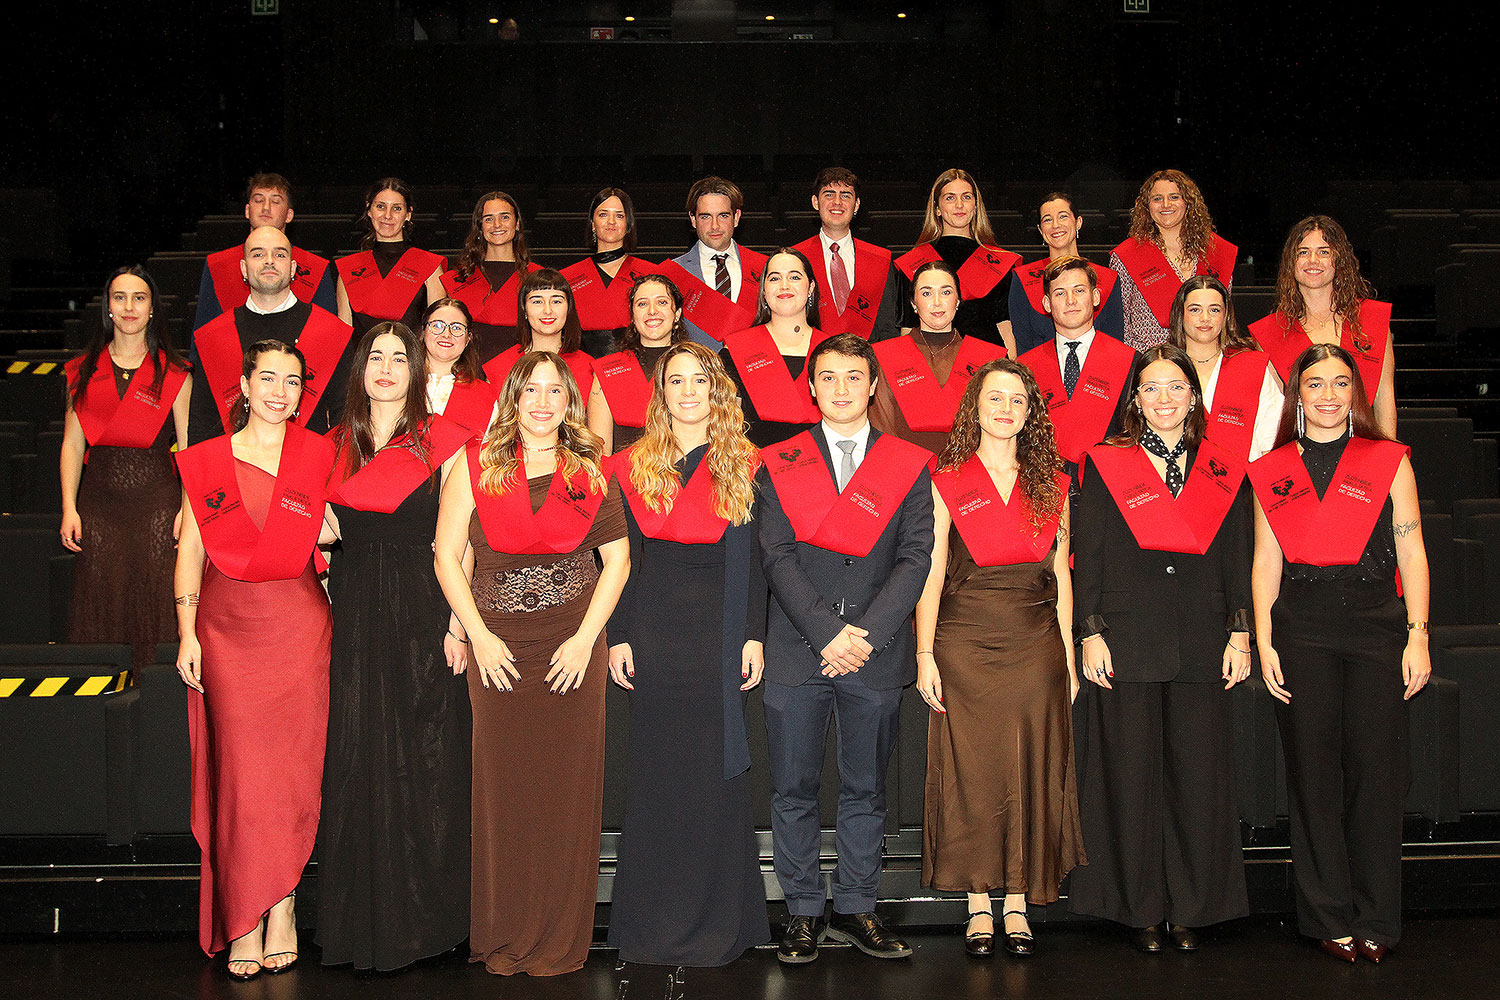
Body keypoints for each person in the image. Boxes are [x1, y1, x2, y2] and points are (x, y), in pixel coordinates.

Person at [433, 351, 630, 976]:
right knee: (504, 794)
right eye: (530, 390)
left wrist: (585, 640)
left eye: (554, 391)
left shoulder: (589, 468)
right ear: (512, 399)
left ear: (570, 402)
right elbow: (446, 557)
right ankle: (503, 934)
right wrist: (478, 635)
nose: (542, 402)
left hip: (573, 649)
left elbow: (617, 562)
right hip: (498, 651)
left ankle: (559, 937)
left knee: (567, 795)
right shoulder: (475, 464)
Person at [1068, 344, 1253, 952]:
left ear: (1193, 397)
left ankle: (1192, 909)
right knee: (1130, 780)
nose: (1164, 398)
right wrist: (1090, 631)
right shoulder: (1105, 463)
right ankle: (1139, 908)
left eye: (1176, 387)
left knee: (1199, 781)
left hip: (1202, 639)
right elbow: (1090, 552)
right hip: (1127, 639)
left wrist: (1241, 630)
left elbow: (1238, 554)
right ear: (1136, 399)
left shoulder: (1222, 467)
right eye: (1151, 388)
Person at [1249, 344, 1430, 964]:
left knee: (1377, 777)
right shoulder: (1272, 469)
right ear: (1297, 395)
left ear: (1356, 392)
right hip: (1301, 631)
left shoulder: (1389, 460)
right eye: (1315, 384)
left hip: (1377, 630)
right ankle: (1327, 915)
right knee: (1313, 775)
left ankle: (1377, 916)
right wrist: (1264, 639)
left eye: (1340, 383)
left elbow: (1412, 552)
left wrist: (1418, 634)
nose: (1328, 395)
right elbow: (1265, 561)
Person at [757, 333, 934, 965]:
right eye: (828, 377)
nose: (841, 388)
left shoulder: (906, 463)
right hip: (798, 650)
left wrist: (865, 635)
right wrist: (826, 633)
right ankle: (803, 910)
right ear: (811, 386)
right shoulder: (780, 461)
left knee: (866, 789)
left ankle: (858, 907)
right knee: (794, 789)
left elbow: (916, 557)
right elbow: (776, 555)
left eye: (854, 377)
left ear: (873, 385)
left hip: (874, 652)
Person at [173, 340, 337, 979]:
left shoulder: (317, 456)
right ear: (243, 384)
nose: (279, 391)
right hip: (226, 632)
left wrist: (330, 526)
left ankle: (283, 907)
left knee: (293, 774)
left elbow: (343, 530)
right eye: (268, 378)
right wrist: (187, 632)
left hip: (298, 629)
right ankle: (243, 914)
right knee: (242, 777)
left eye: (292, 381)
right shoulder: (208, 461)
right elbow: (190, 552)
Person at [315, 322, 474, 972]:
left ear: (415, 370)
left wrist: (458, 627)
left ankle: (430, 922)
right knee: (358, 755)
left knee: (427, 760)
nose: (385, 367)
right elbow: (321, 532)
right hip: (354, 618)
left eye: (398, 358)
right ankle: (361, 922)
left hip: (425, 616)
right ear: (360, 369)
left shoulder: (443, 441)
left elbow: (461, 543)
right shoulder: (332, 445)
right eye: (374, 356)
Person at [605, 342, 771, 966]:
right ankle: (653, 926)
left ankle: (718, 923)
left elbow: (754, 558)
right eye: (676, 381)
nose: (688, 391)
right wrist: (620, 633)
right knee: (658, 777)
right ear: (661, 393)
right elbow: (620, 560)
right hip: (653, 634)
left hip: (719, 634)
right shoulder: (630, 466)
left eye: (700, 379)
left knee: (713, 778)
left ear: (716, 388)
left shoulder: (745, 462)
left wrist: (753, 633)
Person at [914, 358, 1083, 958]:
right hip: (963, 643)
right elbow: (931, 573)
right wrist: (924, 653)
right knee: (975, 773)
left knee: (1029, 767)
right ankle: (978, 903)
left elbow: (1063, 577)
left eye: (1017, 399)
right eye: (995, 397)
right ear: (975, 407)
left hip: (1035, 643)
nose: (1005, 408)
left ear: (1030, 412)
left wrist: (1068, 658)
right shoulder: (947, 480)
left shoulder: (1054, 483)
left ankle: (1018, 900)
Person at [61, 266, 192, 670]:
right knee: (101, 598)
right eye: (120, 298)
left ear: (152, 308)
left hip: (157, 504)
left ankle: (156, 694)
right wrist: (68, 507)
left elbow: (189, 448)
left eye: (139, 297)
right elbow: (72, 443)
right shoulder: (83, 371)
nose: (129, 306)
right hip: (98, 505)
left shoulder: (175, 373)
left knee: (156, 598)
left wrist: (187, 510)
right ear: (108, 308)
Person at [189, 226, 354, 443]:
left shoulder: (331, 332)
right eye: (258, 254)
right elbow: (201, 423)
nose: (269, 261)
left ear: (293, 268)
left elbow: (345, 417)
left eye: (279, 255)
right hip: (232, 461)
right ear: (244, 268)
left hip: (309, 460)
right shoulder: (214, 336)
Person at [1247, 216, 1397, 438]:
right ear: (1291, 263)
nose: (1313, 260)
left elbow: (1385, 398)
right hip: (1303, 450)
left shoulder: (1372, 320)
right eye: (1303, 252)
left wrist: (1390, 455)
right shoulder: (1270, 333)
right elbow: (1274, 413)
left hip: (1364, 448)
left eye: (1324, 252)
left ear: (1339, 260)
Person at [1017, 256, 1139, 474]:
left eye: (1079, 290)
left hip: (1109, 477)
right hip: (1044, 479)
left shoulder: (1130, 361)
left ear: (1095, 297)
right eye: (1060, 293)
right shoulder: (1025, 367)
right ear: (1047, 304)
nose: (1070, 300)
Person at [871, 260, 1007, 453]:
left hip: (972, 465)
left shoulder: (989, 359)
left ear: (957, 300)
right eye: (927, 293)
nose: (937, 302)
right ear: (913, 303)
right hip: (904, 464)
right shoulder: (884, 355)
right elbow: (881, 425)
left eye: (946, 292)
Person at [895, 169, 1020, 355]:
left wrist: (1012, 368)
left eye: (966, 197)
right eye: (950, 198)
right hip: (933, 359)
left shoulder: (997, 261)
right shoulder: (915, 261)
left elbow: (1005, 326)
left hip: (987, 362)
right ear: (937, 208)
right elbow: (907, 328)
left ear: (975, 206)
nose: (959, 205)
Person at [1110, 169, 1237, 351]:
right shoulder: (1126, 255)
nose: (1166, 204)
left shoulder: (1217, 251)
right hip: (1149, 359)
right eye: (1157, 199)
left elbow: (1224, 314)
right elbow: (1119, 322)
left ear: (1188, 202)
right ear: (1147, 206)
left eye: (1174, 197)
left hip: (1204, 356)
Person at [193, 173, 337, 330]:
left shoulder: (316, 268)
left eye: (275, 201)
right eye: (258, 200)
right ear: (247, 210)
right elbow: (203, 334)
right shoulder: (217, 265)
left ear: (289, 215)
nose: (266, 208)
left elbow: (328, 331)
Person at [720, 247, 832, 448]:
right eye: (774, 278)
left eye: (794, 277)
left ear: (811, 288)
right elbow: (726, 429)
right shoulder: (735, 351)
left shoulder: (834, 351)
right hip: (752, 463)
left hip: (823, 462)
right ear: (764, 291)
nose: (784, 285)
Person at [482, 269, 608, 440]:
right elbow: (489, 438)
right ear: (524, 309)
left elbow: (598, 442)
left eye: (556, 301)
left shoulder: (590, 369)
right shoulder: (498, 367)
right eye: (537, 301)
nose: (547, 310)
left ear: (568, 308)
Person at [1167, 276, 1282, 461]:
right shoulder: (1163, 369)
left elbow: (1270, 441)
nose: (1205, 318)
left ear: (1225, 316)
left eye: (1214, 310)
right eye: (1195, 310)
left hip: (1243, 476)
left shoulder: (1252, 367)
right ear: (1180, 315)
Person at [790, 168, 902, 341]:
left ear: (856, 204)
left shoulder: (880, 260)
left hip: (868, 355)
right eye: (829, 194)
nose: (837, 202)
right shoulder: (794, 259)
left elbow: (888, 328)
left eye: (845, 195)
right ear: (815, 202)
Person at [1009, 191, 1124, 355]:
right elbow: (1023, 345)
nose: (1055, 225)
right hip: (1039, 369)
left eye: (1063, 216)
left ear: (1078, 222)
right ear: (1040, 229)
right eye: (1047, 219)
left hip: (1099, 368)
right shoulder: (1022, 279)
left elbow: (1115, 342)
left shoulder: (1108, 278)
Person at [658, 176, 768, 346]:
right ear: (693, 219)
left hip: (754, 360)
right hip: (692, 362)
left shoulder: (765, 267)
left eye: (723, 216)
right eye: (705, 217)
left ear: (736, 217)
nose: (715, 226)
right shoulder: (670, 273)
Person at [335, 177, 447, 339]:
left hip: (412, 354)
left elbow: (436, 330)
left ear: (408, 214)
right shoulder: (349, 268)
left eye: (397, 208)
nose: (387, 215)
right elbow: (343, 332)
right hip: (362, 355)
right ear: (369, 210)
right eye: (380, 206)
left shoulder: (429, 266)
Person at [440, 191, 541, 363]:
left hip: (522, 371)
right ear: (480, 227)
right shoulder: (459, 278)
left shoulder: (537, 277)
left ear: (517, 224)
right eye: (488, 219)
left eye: (504, 217)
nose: (497, 225)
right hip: (468, 370)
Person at [592, 273, 688, 453]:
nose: (652, 311)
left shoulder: (698, 367)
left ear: (677, 314)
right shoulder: (608, 370)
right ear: (633, 316)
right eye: (642, 304)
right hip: (623, 470)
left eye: (662, 302)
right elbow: (600, 453)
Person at [559, 188, 655, 356]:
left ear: (628, 225)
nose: (611, 221)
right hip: (582, 365)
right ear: (592, 223)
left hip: (639, 363)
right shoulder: (567, 277)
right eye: (603, 215)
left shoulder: (651, 275)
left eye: (619, 216)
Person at [421, 297, 497, 436]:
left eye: (456, 328)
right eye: (437, 325)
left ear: (468, 338)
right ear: (423, 331)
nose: (446, 334)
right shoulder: (400, 382)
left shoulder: (487, 396)